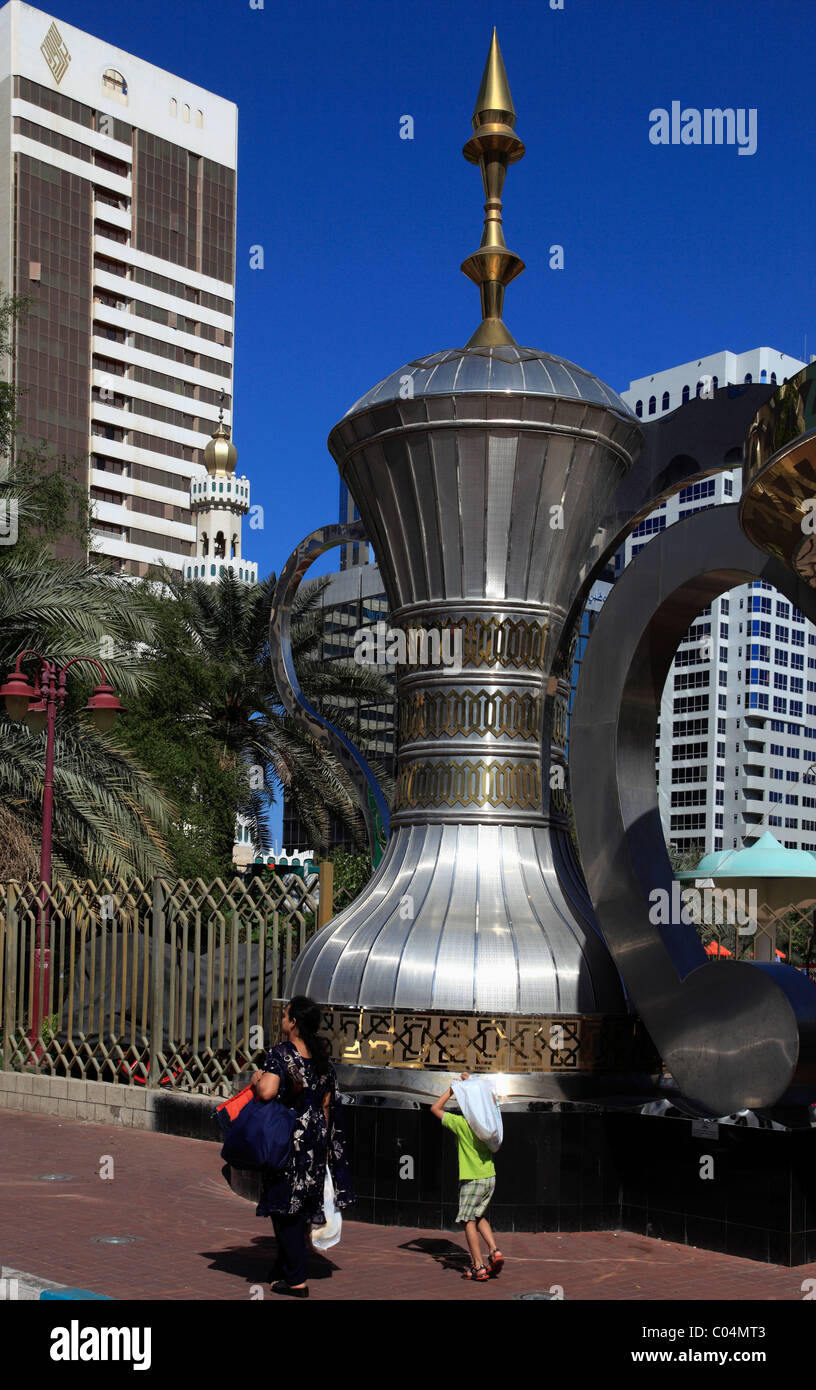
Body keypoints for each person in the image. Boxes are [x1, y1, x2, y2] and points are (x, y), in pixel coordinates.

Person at [250, 995, 353, 1297]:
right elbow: (327, 1105)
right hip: (315, 1140)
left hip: (288, 1139)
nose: (282, 1020)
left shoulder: (282, 1054)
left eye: (285, 1015)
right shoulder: (321, 1060)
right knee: (302, 1205)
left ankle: (297, 1281)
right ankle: (283, 1268)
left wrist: (257, 1079)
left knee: (286, 1208)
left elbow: (267, 1092)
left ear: (294, 1022)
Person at [431, 1071, 504, 1282]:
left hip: (472, 1179)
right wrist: (471, 1082)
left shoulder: (462, 1124)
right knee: (478, 1216)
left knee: (467, 1221)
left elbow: (434, 1109)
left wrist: (452, 1090)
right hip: (490, 1176)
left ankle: (478, 1266)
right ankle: (494, 1250)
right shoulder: (488, 1126)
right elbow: (485, 1095)